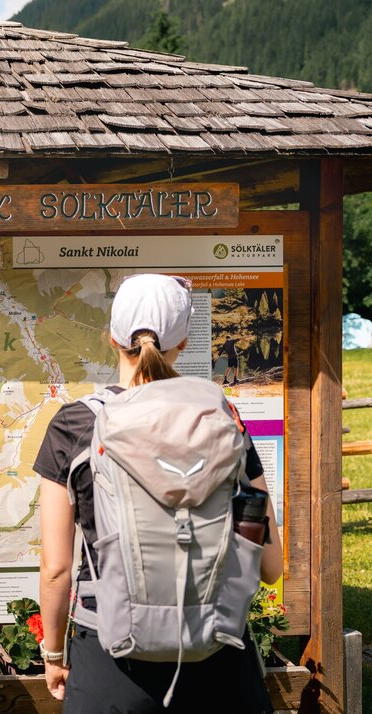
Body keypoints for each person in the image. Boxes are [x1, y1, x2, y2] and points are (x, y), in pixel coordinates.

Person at [34, 274, 283, 714]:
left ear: (113, 338)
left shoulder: (73, 425)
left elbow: (56, 570)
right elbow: (271, 565)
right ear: (183, 342)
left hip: (110, 660)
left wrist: (54, 655)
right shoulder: (225, 419)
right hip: (218, 654)